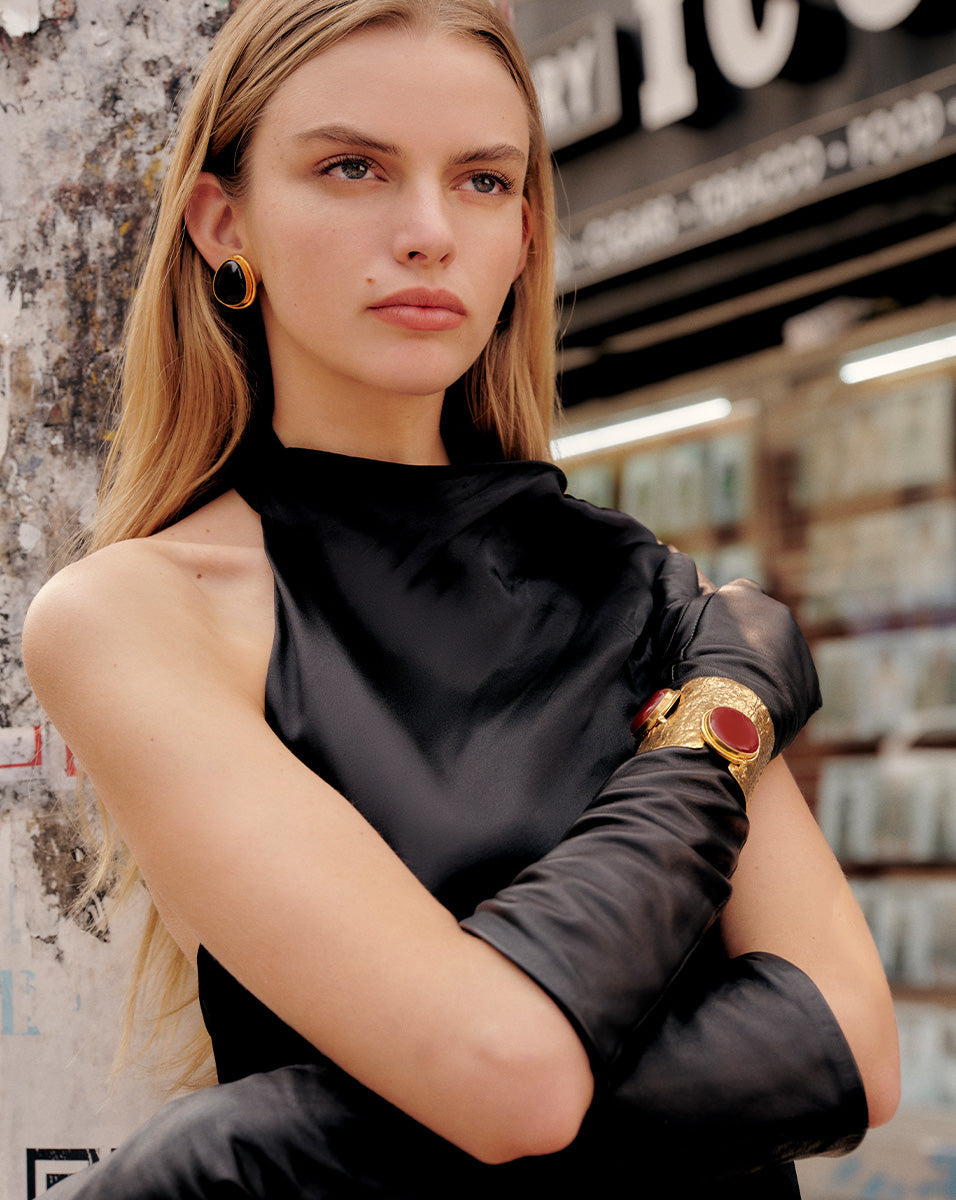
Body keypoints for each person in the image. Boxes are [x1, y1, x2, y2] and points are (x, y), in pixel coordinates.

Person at [22, 0, 899, 1195]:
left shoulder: (640, 584)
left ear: (524, 234)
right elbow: (508, 1078)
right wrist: (718, 725)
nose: (428, 231)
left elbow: (842, 1048)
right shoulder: (138, 615)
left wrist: (248, 1151)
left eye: (482, 181)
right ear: (224, 222)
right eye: (350, 167)